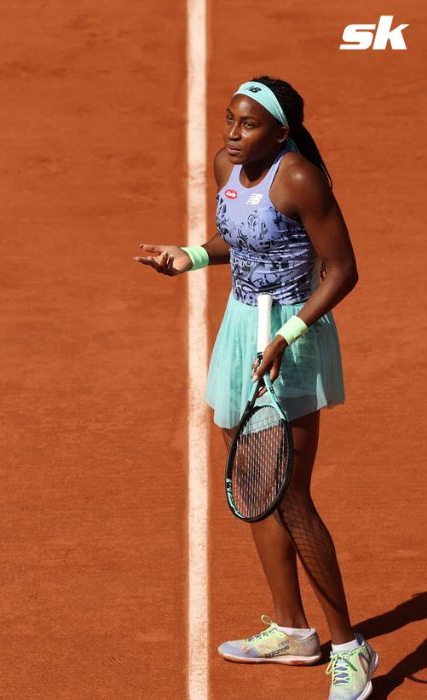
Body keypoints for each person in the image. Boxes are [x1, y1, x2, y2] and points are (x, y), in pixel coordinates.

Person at [134, 76, 374, 700]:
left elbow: (343, 269)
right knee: (254, 486)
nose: (233, 134)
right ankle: (294, 633)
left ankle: (350, 647)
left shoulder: (298, 179)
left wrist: (288, 334)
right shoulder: (227, 165)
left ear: (282, 132)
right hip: (242, 328)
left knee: (291, 497)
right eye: (230, 120)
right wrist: (189, 255)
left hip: (292, 331)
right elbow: (239, 242)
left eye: (249, 124)